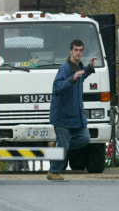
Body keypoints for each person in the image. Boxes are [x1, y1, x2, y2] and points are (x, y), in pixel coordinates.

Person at [47, 39, 98, 181]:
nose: (78, 53)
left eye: (81, 50)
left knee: (85, 138)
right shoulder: (65, 68)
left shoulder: (79, 66)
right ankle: (53, 172)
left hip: (76, 117)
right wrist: (71, 79)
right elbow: (57, 88)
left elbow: (80, 77)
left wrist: (89, 68)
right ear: (70, 51)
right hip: (62, 117)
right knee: (63, 145)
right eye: (76, 50)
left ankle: (57, 147)